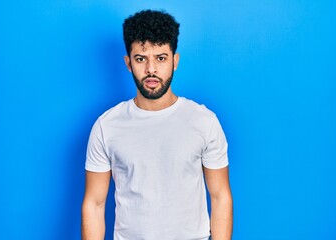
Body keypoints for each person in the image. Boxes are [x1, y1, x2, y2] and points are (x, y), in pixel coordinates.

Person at [81, 9, 233, 240]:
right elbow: (94, 202)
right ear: (128, 63)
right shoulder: (107, 126)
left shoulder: (204, 121)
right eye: (141, 59)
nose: (151, 69)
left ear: (175, 61)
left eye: (160, 58)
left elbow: (220, 195)